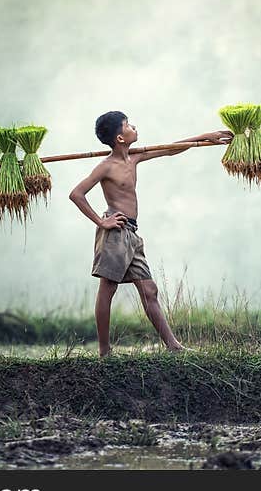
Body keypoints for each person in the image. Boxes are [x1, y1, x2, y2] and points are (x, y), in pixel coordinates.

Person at [68, 111, 232, 357]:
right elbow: (76, 194)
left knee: (149, 289)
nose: (133, 126)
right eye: (127, 125)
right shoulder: (106, 167)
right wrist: (103, 222)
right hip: (115, 232)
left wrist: (206, 137)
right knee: (108, 287)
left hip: (132, 233)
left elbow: (170, 149)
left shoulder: (133, 158)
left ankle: (173, 346)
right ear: (120, 138)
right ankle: (104, 351)